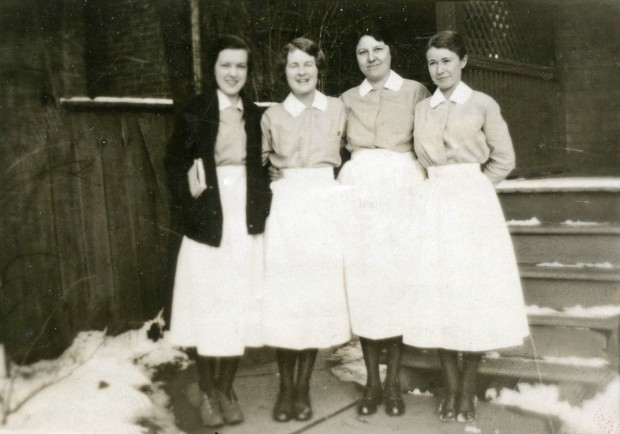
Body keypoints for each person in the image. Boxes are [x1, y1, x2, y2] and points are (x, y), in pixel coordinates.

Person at [403, 30, 530, 423]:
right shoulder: (423, 108)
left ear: (463, 61)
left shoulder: (482, 104)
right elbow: (418, 156)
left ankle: (469, 389)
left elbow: (504, 159)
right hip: (434, 203)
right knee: (441, 293)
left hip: (473, 206)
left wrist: (474, 187)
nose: (439, 69)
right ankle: (452, 386)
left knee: (473, 295)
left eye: (446, 60)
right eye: (432, 62)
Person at [164, 35, 271, 428]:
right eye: (226, 65)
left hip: (244, 218)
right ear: (213, 69)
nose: (233, 73)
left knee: (238, 303)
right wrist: (191, 208)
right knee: (211, 306)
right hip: (209, 218)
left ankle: (226, 388)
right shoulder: (196, 110)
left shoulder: (257, 115)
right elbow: (174, 165)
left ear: (248, 71)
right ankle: (207, 390)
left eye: (240, 66)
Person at [337, 23, 431, 417]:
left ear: (390, 52)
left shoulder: (415, 92)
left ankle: (393, 383)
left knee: (396, 286)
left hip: (401, 192)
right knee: (364, 287)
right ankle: (371, 384)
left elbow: (428, 143)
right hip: (359, 194)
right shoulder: (345, 99)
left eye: (377, 49)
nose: (371, 57)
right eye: (363, 52)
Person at [261, 37, 351, 423]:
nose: (301, 72)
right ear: (284, 72)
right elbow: (260, 164)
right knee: (287, 298)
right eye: (293, 65)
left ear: (319, 69)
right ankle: (285, 388)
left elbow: (356, 149)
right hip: (286, 207)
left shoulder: (338, 110)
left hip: (324, 206)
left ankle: (303, 388)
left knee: (314, 299)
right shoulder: (272, 116)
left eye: (308, 65)